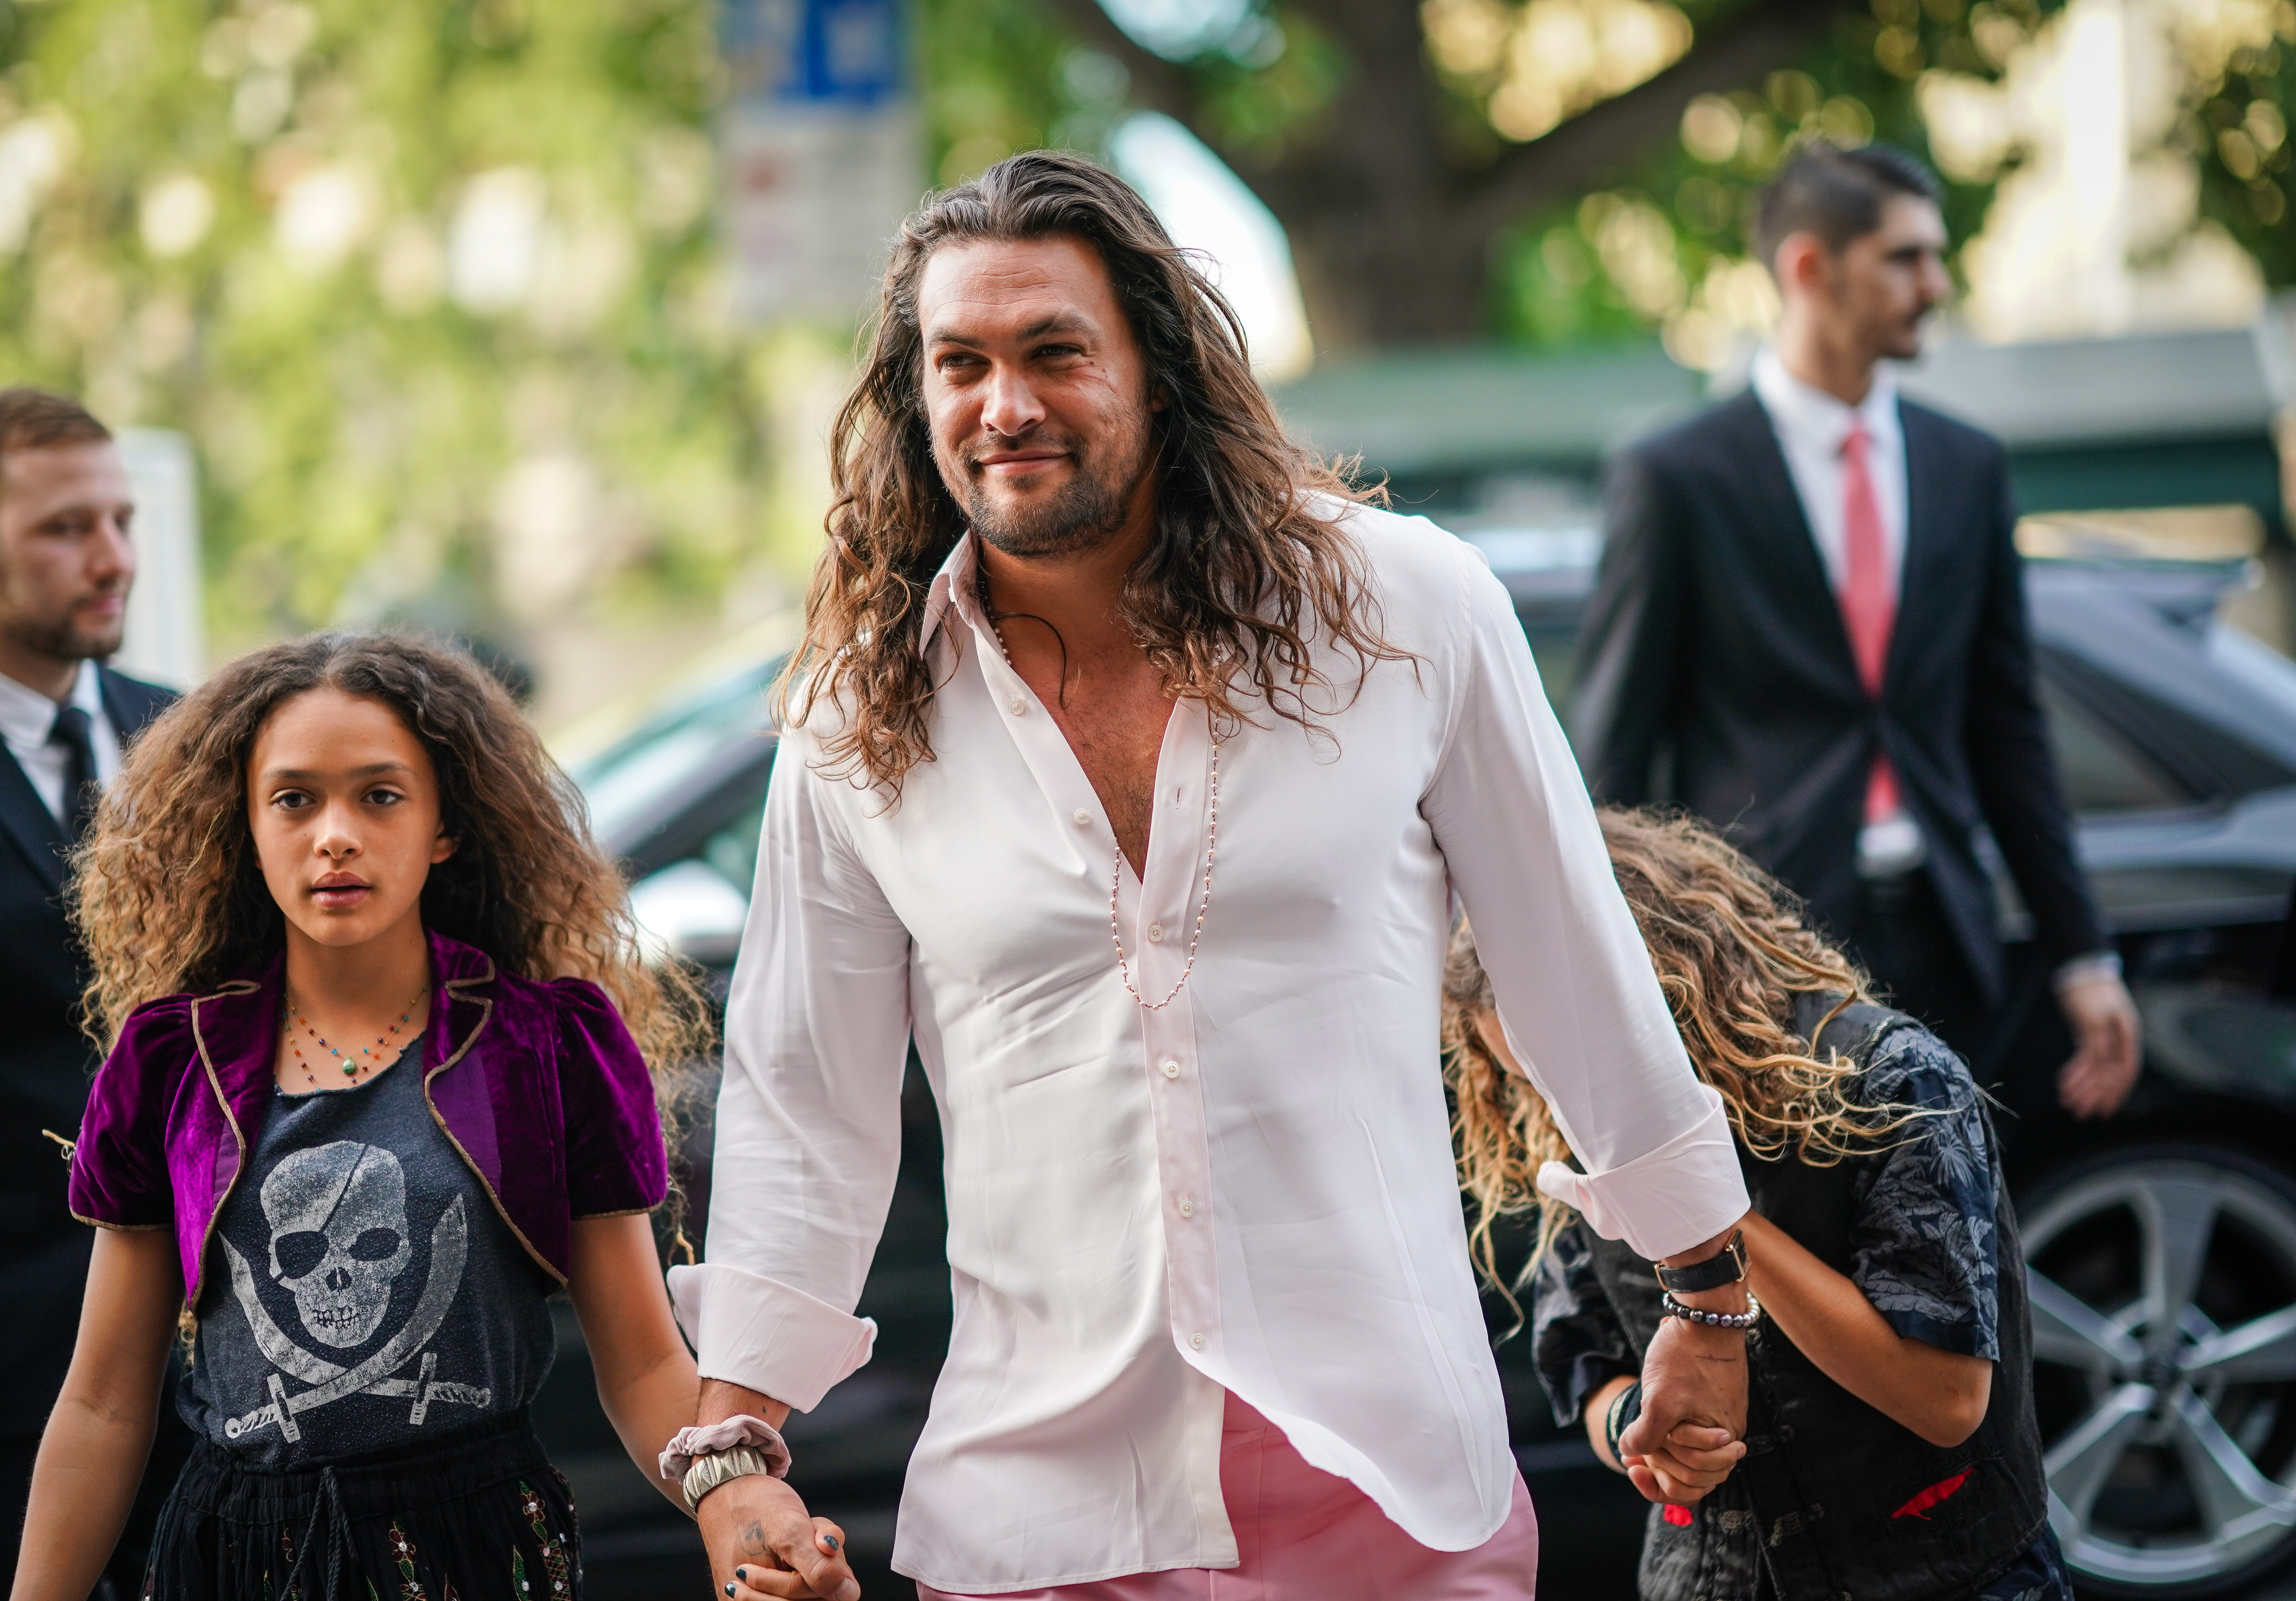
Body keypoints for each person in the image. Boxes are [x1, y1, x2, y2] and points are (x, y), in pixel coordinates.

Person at [668, 150, 1754, 1601]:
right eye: (961, 363)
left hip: (1396, 1493)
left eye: (1057, 351)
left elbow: (1572, 959)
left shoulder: (1407, 609)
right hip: (1037, 1514)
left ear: (1159, 371)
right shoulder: (854, 718)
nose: (1007, 406)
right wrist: (735, 1443)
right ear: (914, 398)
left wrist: (1707, 1291)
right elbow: (807, 1105)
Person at [9, 632, 763, 1599]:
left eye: (380, 794)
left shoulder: (548, 1043)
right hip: (236, 1560)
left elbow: (647, 1364)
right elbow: (106, 1402)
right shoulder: (173, 1059)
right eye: (294, 798)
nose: (336, 833)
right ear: (243, 824)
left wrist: (737, 1498)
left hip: (482, 1550)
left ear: (445, 823)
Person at [1573, 142, 2140, 1120]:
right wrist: (1622, 980)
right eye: (1907, 258)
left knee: (1952, 1240)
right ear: (1809, 267)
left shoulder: (1966, 463)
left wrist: (2081, 950)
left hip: (1949, 939)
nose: (1938, 284)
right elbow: (1618, 750)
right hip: (1760, 952)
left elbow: (2007, 723)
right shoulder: (1676, 475)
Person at [1444, 808, 2066, 1601]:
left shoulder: (1891, 1077)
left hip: (1934, 1572)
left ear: (1659, 989)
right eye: (1534, 1082)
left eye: (1567, 1074)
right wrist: (1645, 1434)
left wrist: (1703, 1212)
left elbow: (1946, 1401)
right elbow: (1585, 1364)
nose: (1563, 1111)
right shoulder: (1582, 1130)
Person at [0, 388, 179, 1599]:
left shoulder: (187, 738)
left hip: (213, 1361)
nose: (112, 557)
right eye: (69, 527)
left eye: (119, 520)